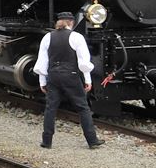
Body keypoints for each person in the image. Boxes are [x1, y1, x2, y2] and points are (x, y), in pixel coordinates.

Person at [33, 11, 104, 149]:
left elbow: (42, 61)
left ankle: (46, 141)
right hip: (71, 76)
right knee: (83, 108)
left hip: (53, 76)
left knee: (50, 108)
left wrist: (42, 81)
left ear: (58, 23)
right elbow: (84, 62)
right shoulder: (77, 37)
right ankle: (92, 140)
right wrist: (88, 80)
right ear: (71, 23)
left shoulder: (48, 37)